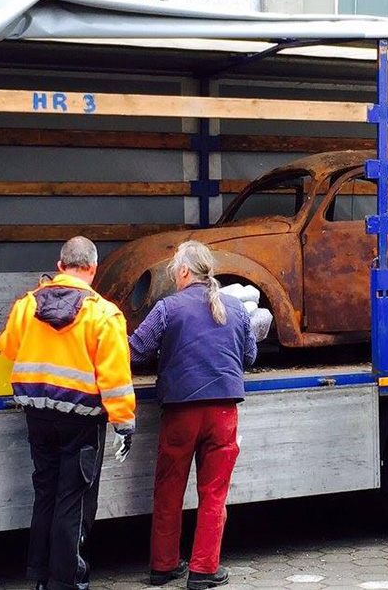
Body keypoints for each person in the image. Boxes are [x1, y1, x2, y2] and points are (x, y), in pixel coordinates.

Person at [0, 236, 136, 590]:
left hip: (38, 417)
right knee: (73, 501)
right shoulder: (103, 314)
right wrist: (124, 423)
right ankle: (67, 582)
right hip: (82, 422)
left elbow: (7, 347)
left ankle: (41, 577)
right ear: (93, 268)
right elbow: (115, 377)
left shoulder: (27, 305)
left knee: (45, 494)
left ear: (60, 266)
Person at [130, 241, 257, 590]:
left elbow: (135, 352)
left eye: (175, 267)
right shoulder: (236, 307)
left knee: (168, 489)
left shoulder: (167, 308)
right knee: (214, 493)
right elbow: (249, 356)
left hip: (180, 411)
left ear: (184, 271)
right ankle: (203, 570)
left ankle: (163, 566)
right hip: (223, 412)